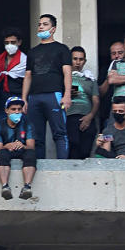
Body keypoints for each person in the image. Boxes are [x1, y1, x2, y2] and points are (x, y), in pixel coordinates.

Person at [22, 13, 72, 158]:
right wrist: (24, 99)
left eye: (45, 24)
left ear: (53, 29)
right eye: (39, 24)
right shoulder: (32, 52)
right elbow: (28, 76)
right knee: (36, 137)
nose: (41, 27)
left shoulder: (62, 49)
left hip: (54, 95)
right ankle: (38, 168)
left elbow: (67, 73)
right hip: (34, 97)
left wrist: (67, 95)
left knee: (60, 133)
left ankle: (63, 166)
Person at [0, 97, 36, 200]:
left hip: (22, 151)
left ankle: (27, 187)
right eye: (13, 109)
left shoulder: (28, 125)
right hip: (6, 151)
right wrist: (7, 146)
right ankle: (5, 186)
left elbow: (31, 146)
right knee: (2, 153)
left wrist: (22, 145)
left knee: (31, 154)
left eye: (19, 109)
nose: (17, 112)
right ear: (7, 110)